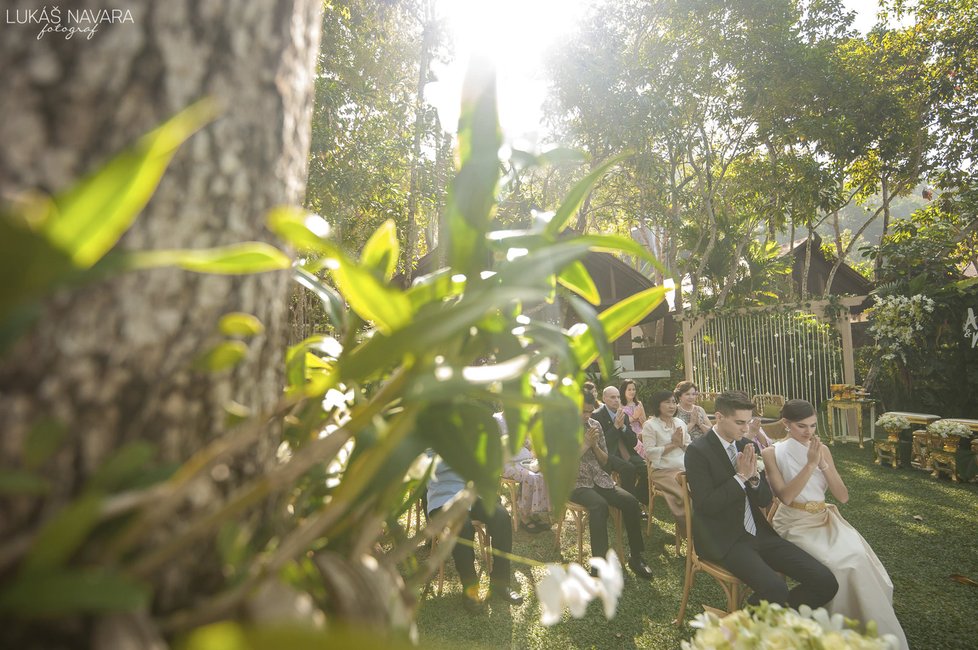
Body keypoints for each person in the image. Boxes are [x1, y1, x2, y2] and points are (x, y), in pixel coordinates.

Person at [762, 399, 909, 648]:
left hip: (824, 518)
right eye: (801, 426)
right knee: (839, 565)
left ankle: (868, 625)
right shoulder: (771, 453)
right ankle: (834, 630)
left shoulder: (823, 449)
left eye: (813, 426)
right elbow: (785, 497)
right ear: (786, 424)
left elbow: (842, 496)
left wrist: (823, 463)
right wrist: (810, 464)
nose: (808, 432)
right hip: (793, 524)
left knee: (858, 558)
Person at [683, 390, 838, 608]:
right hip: (723, 539)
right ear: (719, 417)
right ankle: (748, 631)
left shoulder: (747, 445)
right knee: (775, 589)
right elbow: (707, 505)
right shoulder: (697, 451)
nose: (746, 429)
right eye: (739, 422)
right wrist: (740, 478)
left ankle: (773, 619)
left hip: (759, 532)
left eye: (748, 422)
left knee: (825, 581)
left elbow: (765, 499)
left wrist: (754, 480)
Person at [572, 389, 653, 579]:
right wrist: (584, 444)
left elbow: (605, 461)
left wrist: (594, 446)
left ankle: (636, 556)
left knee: (631, 502)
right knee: (598, 505)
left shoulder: (595, 425)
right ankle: (598, 567)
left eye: (590, 411)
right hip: (575, 482)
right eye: (582, 411)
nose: (586, 416)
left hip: (599, 478)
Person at [427, 453, 523, 609]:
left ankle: (500, 583)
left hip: (473, 494)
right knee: (461, 526)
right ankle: (470, 589)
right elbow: (427, 465)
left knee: (502, 518)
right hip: (444, 496)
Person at [640, 390, 691, 537]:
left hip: (683, 467)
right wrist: (674, 444)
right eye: (667, 402)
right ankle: (689, 534)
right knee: (683, 497)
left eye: (674, 402)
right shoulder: (650, 425)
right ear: (658, 405)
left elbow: (688, 445)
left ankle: (702, 532)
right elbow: (649, 453)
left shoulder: (680, 423)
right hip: (661, 470)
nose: (672, 406)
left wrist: (682, 444)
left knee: (700, 492)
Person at [591, 385, 649, 505]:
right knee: (629, 469)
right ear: (604, 398)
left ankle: (639, 498)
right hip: (608, 454)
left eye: (618, 397)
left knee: (647, 469)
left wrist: (623, 427)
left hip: (627, 453)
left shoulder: (624, 415)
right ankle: (630, 504)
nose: (616, 400)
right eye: (612, 397)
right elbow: (601, 443)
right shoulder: (596, 416)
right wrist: (615, 426)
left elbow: (633, 441)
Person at [497, 412, 551, 533]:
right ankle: (524, 516)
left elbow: (529, 445)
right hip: (508, 462)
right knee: (530, 477)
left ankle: (535, 512)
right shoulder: (496, 420)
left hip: (525, 460)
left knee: (543, 475)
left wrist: (526, 441)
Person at [619, 379, 647, 457]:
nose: (632, 392)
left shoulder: (638, 404)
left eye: (634, 389)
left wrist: (640, 418)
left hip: (640, 431)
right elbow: (623, 422)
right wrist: (634, 417)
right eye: (629, 389)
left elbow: (644, 422)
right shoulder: (620, 404)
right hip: (628, 431)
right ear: (624, 390)